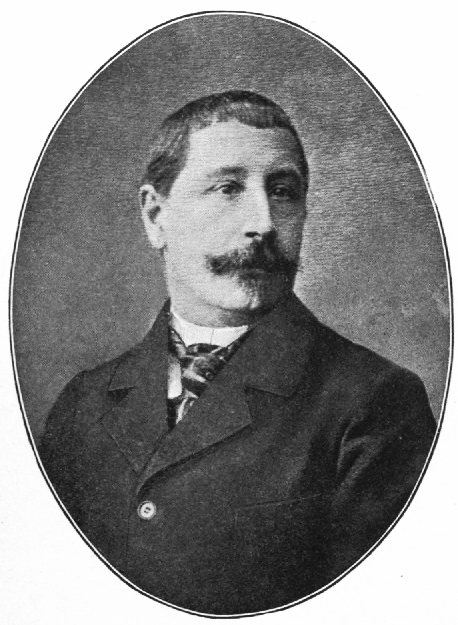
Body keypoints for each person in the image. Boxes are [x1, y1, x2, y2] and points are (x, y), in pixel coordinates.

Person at [39, 91, 436, 615]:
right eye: (228, 188)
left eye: (283, 191)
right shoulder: (82, 405)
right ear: (156, 216)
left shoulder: (374, 405)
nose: (264, 223)